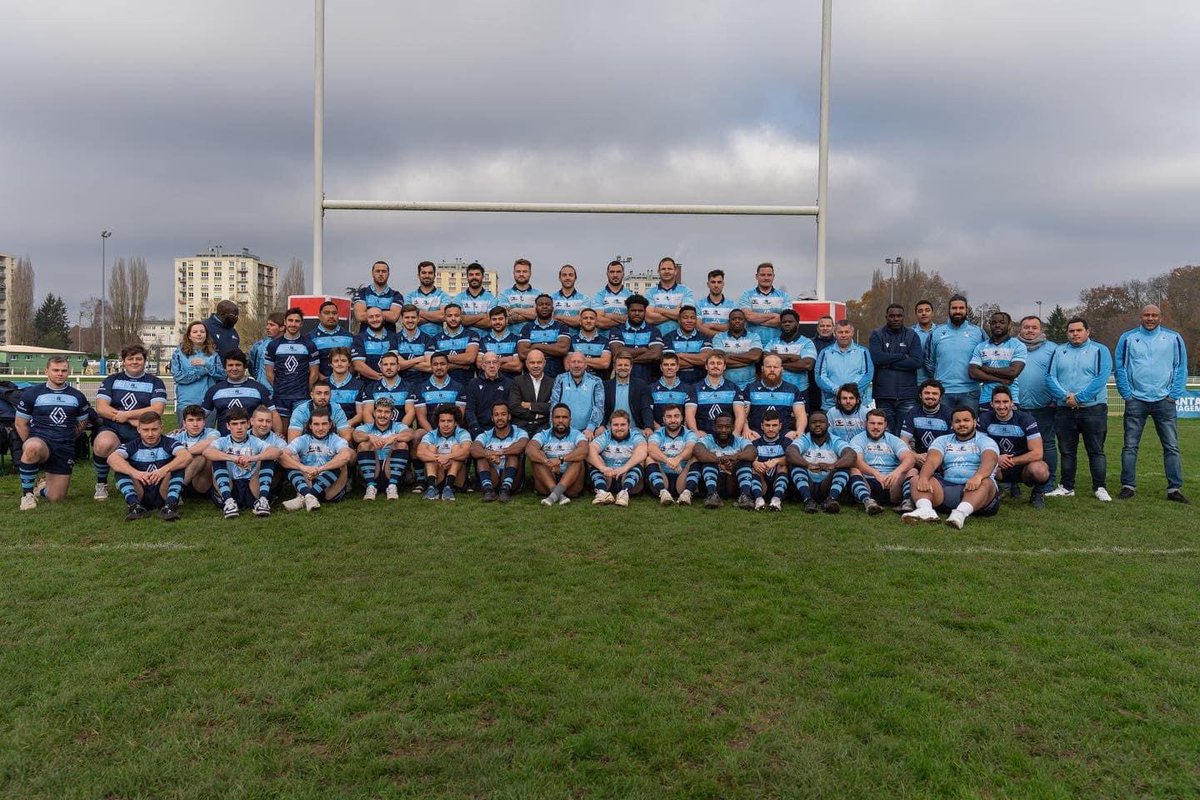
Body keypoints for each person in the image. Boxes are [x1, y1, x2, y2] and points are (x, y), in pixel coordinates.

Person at [1115, 304, 1189, 503]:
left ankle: (1174, 489)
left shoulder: (1173, 338)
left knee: (1171, 446)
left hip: (1165, 401)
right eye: (1146, 315)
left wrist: (1173, 395)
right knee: (1130, 446)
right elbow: (1120, 368)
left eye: (1154, 315)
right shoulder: (1127, 338)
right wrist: (1127, 394)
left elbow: (1181, 367)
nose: (1150, 318)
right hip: (1136, 401)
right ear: (1140, 317)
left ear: (1160, 318)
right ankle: (1127, 486)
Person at [1045, 317, 1113, 501]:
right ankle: (1067, 486)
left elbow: (1101, 377)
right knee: (1067, 451)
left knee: (1096, 450)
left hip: (1093, 410)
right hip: (1065, 409)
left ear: (1087, 331)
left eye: (1078, 330)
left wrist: (1079, 398)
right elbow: (1050, 377)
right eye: (1071, 331)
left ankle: (1100, 487)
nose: (1075, 334)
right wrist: (1067, 397)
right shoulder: (1059, 351)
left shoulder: (1100, 350)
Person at [91, 344, 169, 501]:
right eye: (130, 358)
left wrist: (128, 416)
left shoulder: (155, 382)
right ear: (124, 361)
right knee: (103, 443)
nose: (135, 362)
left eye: (139, 358)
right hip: (112, 427)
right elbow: (101, 408)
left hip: (141, 430)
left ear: (145, 361)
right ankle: (101, 483)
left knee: (143, 488)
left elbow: (157, 410)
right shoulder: (111, 380)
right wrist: (124, 417)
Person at [903, 406, 1000, 528]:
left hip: (979, 493)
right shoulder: (942, 440)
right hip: (948, 488)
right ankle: (926, 511)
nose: (962, 424)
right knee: (918, 478)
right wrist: (923, 478)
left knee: (986, 482)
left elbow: (990, 460)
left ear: (974, 422)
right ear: (952, 424)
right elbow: (932, 461)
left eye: (966, 420)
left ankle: (960, 514)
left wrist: (978, 476)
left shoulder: (986, 441)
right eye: (957, 421)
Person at [14, 358, 91, 510]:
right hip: (41, 442)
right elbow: (20, 423)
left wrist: (68, 437)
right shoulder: (32, 394)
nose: (60, 374)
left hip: (64, 447)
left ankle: (41, 487)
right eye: (56, 370)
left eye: (64, 370)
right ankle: (27, 495)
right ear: (46, 371)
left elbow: (82, 423)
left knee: (56, 498)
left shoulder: (78, 396)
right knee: (32, 446)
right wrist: (29, 445)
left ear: (68, 372)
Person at [106, 411, 190, 521]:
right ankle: (134, 506)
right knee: (121, 469)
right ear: (138, 429)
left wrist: (164, 470)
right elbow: (112, 458)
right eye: (145, 430)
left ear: (161, 428)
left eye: (154, 429)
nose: (150, 434)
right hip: (141, 492)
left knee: (178, 466)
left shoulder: (169, 443)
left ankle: (170, 506)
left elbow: (186, 456)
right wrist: (135, 473)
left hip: (163, 492)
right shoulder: (132, 445)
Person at [978, 385, 1051, 508]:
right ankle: (995, 489)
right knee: (974, 464)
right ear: (991, 404)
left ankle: (1037, 493)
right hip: (997, 465)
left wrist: (1011, 460)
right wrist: (996, 459)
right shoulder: (984, 419)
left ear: (1012, 403)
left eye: (1005, 402)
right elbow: (977, 447)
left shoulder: (1026, 419)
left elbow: (1037, 453)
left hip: (1022, 466)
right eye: (997, 402)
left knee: (1040, 470)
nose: (1001, 406)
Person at [204, 406, 278, 518]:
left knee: (268, 459)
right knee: (217, 459)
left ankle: (262, 500)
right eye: (234, 424)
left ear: (248, 424)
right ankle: (229, 502)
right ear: (228, 426)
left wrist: (252, 458)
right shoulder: (222, 441)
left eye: (242, 423)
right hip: (230, 485)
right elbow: (207, 452)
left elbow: (276, 452)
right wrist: (234, 458)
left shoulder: (255, 441)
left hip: (251, 486)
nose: (239, 427)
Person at [1014, 315, 1059, 496]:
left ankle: (1048, 482)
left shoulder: (1053, 349)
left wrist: (1055, 398)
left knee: (1047, 444)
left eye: (1034, 327)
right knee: (1014, 444)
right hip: (1017, 406)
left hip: (1044, 406)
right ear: (1020, 329)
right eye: (1026, 327)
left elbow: (1058, 375)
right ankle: (1012, 483)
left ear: (1041, 330)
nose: (1030, 330)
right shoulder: (1013, 346)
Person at [278, 407, 354, 511]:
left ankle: (305, 497)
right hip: (307, 481)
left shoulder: (336, 439)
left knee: (341, 461)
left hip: (329, 487)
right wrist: (303, 467)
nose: (320, 428)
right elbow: (282, 456)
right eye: (316, 424)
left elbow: (346, 455)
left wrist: (320, 469)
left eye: (324, 424)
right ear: (310, 425)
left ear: (330, 425)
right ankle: (309, 496)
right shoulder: (303, 439)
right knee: (291, 457)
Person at [786, 409, 855, 514]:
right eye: (814, 422)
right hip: (807, 485)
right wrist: (807, 465)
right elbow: (790, 452)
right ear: (809, 425)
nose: (817, 425)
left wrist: (833, 465)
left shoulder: (835, 440)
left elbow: (851, 455)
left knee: (844, 468)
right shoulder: (805, 439)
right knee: (795, 465)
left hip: (826, 486)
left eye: (821, 422)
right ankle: (808, 501)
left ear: (828, 424)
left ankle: (831, 500)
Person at [848, 408, 916, 515]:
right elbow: (857, 461)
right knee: (853, 469)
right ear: (866, 424)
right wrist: (876, 473)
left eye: (879, 423)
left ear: (885, 425)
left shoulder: (893, 439)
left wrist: (895, 473)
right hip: (869, 482)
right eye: (872, 423)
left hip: (892, 483)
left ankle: (907, 502)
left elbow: (910, 459)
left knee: (912, 471)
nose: (876, 427)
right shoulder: (858, 439)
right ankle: (868, 502)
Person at [869, 303, 923, 434]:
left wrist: (887, 362)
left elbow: (917, 362)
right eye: (892, 316)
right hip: (883, 394)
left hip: (907, 395)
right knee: (886, 434)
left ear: (903, 317)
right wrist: (902, 356)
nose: (896, 319)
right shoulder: (877, 334)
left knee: (905, 434)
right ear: (886, 317)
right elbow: (876, 358)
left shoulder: (912, 335)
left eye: (899, 316)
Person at [925, 295, 985, 411]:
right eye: (954, 308)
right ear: (949, 310)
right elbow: (929, 361)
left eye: (961, 308)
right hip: (943, 392)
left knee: (967, 428)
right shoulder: (936, 333)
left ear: (966, 310)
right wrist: (940, 380)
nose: (958, 311)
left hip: (970, 392)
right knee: (944, 428)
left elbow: (986, 359)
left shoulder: (978, 332)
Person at [201, 349, 279, 435]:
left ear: (244, 366)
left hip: (253, 442)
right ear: (225, 367)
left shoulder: (259, 388)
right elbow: (199, 416)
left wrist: (278, 434)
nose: (234, 368)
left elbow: (273, 413)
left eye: (238, 365)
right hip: (223, 442)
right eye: (230, 365)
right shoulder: (214, 390)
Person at [265, 307, 320, 425]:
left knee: (301, 430)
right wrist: (279, 388)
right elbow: (269, 373)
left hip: (302, 397)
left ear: (301, 324)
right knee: (282, 432)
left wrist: (306, 391)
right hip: (281, 397)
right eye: (290, 320)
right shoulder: (273, 345)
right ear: (285, 322)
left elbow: (314, 373)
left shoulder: (309, 344)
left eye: (297, 321)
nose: (293, 324)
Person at [352, 396, 414, 501]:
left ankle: (392, 486)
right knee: (364, 445)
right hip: (371, 470)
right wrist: (369, 437)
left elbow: (409, 434)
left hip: (391, 469)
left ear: (392, 415)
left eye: (387, 412)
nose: (382, 415)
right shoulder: (367, 427)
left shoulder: (397, 426)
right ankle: (371, 487)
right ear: (374, 413)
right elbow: (356, 435)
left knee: (401, 444)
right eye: (379, 411)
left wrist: (394, 437)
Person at [527, 404, 590, 505]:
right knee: (537, 457)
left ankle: (553, 496)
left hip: (571, 484)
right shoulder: (543, 434)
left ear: (570, 420)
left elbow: (584, 450)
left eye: (564, 417)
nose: (561, 420)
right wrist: (547, 462)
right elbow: (530, 449)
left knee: (578, 459)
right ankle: (558, 495)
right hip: (547, 479)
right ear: (551, 419)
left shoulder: (577, 434)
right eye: (557, 417)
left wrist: (561, 459)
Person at [692, 412, 757, 509]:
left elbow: (752, 452)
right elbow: (698, 450)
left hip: (733, 481)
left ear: (733, 427)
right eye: (720, 426)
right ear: (714, 427)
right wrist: (719, 460)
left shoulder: (739, 440)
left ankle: (745, 496)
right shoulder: (708, 439)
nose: (723, 430)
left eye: (727, 427)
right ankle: (711, 496)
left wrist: (734, 457)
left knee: (744, 462)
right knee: (709, 461)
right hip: (714, 481)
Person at [471, 401, 529, 502]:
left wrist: (500, 452)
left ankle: (506, 489)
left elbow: (522, 446)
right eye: (496, 415)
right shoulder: (485, 435)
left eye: (503, 414)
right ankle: (488, 490)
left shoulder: (520, 432)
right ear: (492, 418)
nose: (500, 418)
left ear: (509, 416)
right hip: (493, 475)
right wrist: (488, 454)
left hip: (513, 478)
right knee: (481, 457)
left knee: (513, 454)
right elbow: (474, 449)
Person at [968, 310, 1027, 409]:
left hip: (1009, 399)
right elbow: (973, 373)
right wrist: (1000, 379)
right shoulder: (981, 347)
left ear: (1009, 325)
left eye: (1002, 322)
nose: (997, 325)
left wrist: (987, 369)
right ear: (990, 325)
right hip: (986, 399)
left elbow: (1013, 372)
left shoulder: (1018, 345)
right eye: (994, 323)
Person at [587, 409, 647, 506]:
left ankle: (624, 493)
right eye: (616, 425)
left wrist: (625, 468)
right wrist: (603, 468)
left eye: (623, 425)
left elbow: (643, 450)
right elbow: (591, 450)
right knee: (592, 457)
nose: (619, 428)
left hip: (628, 477)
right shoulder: (606, 435)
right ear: (610, 426)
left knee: (640, 459)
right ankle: (602, 492)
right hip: (608, 477)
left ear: (629, 425)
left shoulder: (635, 435)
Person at [645, 404, 701, 505]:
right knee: (649, 458)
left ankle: (687, 493)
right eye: (669, 416)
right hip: (662, 476)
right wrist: (668, 460)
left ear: (682, 418)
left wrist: (678, 459)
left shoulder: (689, 434)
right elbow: (651, 448)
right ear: (664, 419)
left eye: (676, 416)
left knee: (696, 457)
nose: (673, 420)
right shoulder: (658, 433)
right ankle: (663, 493)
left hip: (682, 477)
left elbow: (690, 448)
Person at [742, 353, 806, 440]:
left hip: (784, 432)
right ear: (762, 368)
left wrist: (800, 431)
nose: (772, 370)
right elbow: (743, 414)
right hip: (757, 432)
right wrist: (746, 429)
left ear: (781, 370)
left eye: (776, 367)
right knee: (748, 438)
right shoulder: (750, 388)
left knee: (796, 439)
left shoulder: (792, 389)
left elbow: (801, 415)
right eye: (768, 367)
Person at [416, 404, 472, 501]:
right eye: (442, 421)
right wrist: (439, 458)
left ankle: (448, 487)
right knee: (431, 448)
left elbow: (466, 451)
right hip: (438, 473)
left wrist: (448, 457)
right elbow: (420, 452)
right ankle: (431, 488)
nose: (446, 424)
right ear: (438, 422)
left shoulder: (463, 433)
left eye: (449, 421)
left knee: (457, 448)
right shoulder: (431, 434)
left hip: (457, 478)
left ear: (455, 423)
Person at [686, 351, 748, 436]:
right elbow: (689, 415)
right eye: (712, 363)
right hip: (703, 435)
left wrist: (736, 433)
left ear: (724, 367)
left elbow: (740, 414)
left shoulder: (733, 388)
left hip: (727, 436)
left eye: (719, 363)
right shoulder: (694, 388)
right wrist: (695, 432)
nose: (715, 366)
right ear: (706, 366)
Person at [815, 320, 873, 410]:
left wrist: (850, 392)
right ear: (835, 333)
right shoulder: (825, 353)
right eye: (840, 332)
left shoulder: (863, 352)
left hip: (857, 405)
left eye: (847, 332)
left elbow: (867, 375)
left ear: (852, 333)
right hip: (831, 405)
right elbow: (819, 376)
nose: (843, 335)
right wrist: (836, 390)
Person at [170, 320, 225, 413]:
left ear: (206, 335)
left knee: (207, 428)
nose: (199, 334)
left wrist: (207, 365)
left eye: (202, 332)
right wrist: (201, 372)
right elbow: (178, 377)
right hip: (186, 402)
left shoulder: (213, 354)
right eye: (195, 332)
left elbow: (222, 375)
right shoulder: (178, 354)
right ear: (189, 336)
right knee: (186, 428)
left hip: (208, 402)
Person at [608, 294, 664, 383]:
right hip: (623, 381)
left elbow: (655, 354)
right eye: (633, 310)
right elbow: (618, 351)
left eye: (640, 310)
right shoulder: (617, 330)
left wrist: (630, 361)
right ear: (627, 311)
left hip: (649, 381)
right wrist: (643, 350)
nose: (637, 313)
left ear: (645, 311)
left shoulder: (654, 330)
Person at [549, 351, 604, 437]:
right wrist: (554, 427)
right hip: (562, 430)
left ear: (586, 364)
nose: (576, 365)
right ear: (568, 364)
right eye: (573, 362)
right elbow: (554, 405)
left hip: (587, 432)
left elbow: (599, 408)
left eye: (580, 362)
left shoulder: (596, 381)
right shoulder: (560, 379)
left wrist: (590, 428)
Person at [169, 404, 219, 497]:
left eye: (199, 420)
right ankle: (177, 491)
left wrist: (183, 454)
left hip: (200, 484)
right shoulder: (176, 436)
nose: (195, 424)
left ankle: (176, 492)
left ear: (204, 422)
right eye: (191, 420)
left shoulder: (212, 432)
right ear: (184, 423)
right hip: (180, 475)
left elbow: (209, 442)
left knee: (203, 455)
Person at [738, 262, 791, 347]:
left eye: (769, 275)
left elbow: (784, 320)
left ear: (773, 276)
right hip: (751, 344)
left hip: (777, 343)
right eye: (762, 275)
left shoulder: (784, 296)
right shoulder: (746, 295)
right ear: (756, 276)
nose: (766, 278)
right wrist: (774, 315)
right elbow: (749, 317)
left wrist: (755, 320)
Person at [517, 295, 571, 378]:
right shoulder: (527, 328)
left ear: (553, 308)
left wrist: (536, 346)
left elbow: (562, 349)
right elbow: (523, 354)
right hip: (532, 378)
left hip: (557, 376)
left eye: (548, 304)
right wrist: (553, 350)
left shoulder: (562, 327)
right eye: (541, 304)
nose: (544, 306)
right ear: (536, 308)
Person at [413, 352, 467, 433]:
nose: (439, 367)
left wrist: (448, 434)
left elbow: (459, 417)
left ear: (448, 366)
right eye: (435, 364)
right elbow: (421, 419)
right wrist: (434, 435)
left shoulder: (459, 387)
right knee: (418, 434)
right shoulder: (421, 388)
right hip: (429, 432)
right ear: (431, 367)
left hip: (452, 432)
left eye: (442, 364)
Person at [710, 309, 763, 389]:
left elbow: (755, 357)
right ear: (729, 321)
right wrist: (748, 362)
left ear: (745, 321)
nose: (737, 321)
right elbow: (719, 360)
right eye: (734, 319)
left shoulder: (754, 336)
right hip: (725, 385)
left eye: (740, 319)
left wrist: (729, 356)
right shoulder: (719, 337)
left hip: (749, 385)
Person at [361, 352, 417, 427]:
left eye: (392, 364)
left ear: (398, 367)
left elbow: (410, 412)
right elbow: (367, 413)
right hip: (377, 432)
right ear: (380, 367)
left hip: (401, 432)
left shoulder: (410, 387)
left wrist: (399, 431)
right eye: (385, 364)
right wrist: (376, 432)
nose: (389, 367)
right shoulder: (370, 388)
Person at [749, 410, 790, 511]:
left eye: (774, 425)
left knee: (783, 466)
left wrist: (776, 461)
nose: (771, 429)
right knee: (754, 468)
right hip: (762, 484)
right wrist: (754, 463)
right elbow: (746, 458)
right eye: (767, 425)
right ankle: (759, 500)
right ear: (762, 426)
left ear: (780, 426)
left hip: (780, 485)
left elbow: (792, 458)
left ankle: (776, 500)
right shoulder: (755, 443)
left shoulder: (786, 442)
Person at [768, 309, 817, 394]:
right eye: (784, 322)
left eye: (790, 322)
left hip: (799, 391)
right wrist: (791, 357)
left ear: (797, 324)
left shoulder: (806, 342)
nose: (787, 324)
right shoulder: (773, 342)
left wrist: (777, 364)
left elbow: (807, 364)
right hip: (776, 391)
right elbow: (765, 357)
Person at [286, 380, 353, 442]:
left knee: (350, 453)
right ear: (312, 395)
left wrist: (333, 448)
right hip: (307, 448)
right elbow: (293, 440)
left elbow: (346, 436)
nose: (323, 397)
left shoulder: (336, 409)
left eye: (326, 393)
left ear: (330, 395)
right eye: (319, 393)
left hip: (332, 447)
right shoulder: (301, 411)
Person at [430, 303, 480, 384]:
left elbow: (470, 358)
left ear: (461, 317)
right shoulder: (435, 339)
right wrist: (460, 365)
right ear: (444, 318)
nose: (453, 318)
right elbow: (435, 365)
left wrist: (442, 359)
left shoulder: (472, 335)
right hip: (444, 386)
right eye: (449, 316)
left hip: (466, 385)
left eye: (456, 315)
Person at [602, 354, 653, 436]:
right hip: (610, 430)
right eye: (619, 365)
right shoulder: (605, 386)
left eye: (626, 365)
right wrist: (601, 426)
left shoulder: (641, 385)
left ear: (631, 367)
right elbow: (601, 409)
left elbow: (646, 408)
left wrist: (648, 427)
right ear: (614, 367)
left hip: (634, 431)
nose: (623, 368)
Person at [465, 352, 513, 436]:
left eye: (494, 362)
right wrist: (476, 429)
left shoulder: (509, 383)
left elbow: (512, 410)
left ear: (498, 365)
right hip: (480, 429)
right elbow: (470, 410)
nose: (492, 366)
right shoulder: (473, 383)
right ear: (483, 366)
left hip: (503, 429)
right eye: (488, 363)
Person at [644, 257, 694, 336]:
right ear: (658, 271)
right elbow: (649, 318)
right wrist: (675, 313)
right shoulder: (650, 293)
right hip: (655, 339)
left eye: (670, 269)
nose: (666, 271)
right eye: (663, 269)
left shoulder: (686, 291)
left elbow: (686, 315)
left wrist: (658, 310)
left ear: (675, 271)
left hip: (679, 340)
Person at [662, 305, 711, 384]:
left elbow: (705, 360)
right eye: (685, 317)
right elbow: (669, 364)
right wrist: (697, 362)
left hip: (700, 383)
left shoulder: (704, 337)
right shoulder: (668, 337)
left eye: (692, 318)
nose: (689, 321)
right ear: (679, 320)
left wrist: (681, 355)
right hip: (676, 383)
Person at [508, 349, 553, 435]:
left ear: (544, 363)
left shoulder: (552, 382)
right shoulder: (518, 381)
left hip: (544, 427)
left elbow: (553, 406)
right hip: (522, 426)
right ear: (527, 364)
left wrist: (530, 405)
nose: (536, 366)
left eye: (539, 362)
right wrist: (535, 415)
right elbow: (514, 407)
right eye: (532, 363)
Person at [352, 260, 403, 331]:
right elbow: (360, 316)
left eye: (384, 271)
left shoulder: (396, 295)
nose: (381, 274)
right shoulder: (361, 292)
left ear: (388, 274)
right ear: (372, 273)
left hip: (389, 339)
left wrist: (369, 314)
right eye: (377, 271)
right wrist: (385, 314)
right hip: (365, 339)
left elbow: (394, 317)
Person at [351, 306, 398, 382]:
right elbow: (358, 365)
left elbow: (398, 361)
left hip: (392, 384)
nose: (375, 319)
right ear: (366, 320)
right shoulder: (359, 338)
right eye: (371, 317)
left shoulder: (394, 337)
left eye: (377, 316)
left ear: (383, 317)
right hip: (368, 385)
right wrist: (380, 377)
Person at [405, 260, 450, 336]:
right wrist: (434, 317)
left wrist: (417, 312)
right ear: (418, 276)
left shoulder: (443, 295)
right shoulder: (409, 296)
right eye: (423, 273)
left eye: (430, 273)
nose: (427, 275)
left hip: (437, 340)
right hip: (415, 341)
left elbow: (443, 316)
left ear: (434, 276)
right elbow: (409, 319)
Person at [310, 300, 354, 376]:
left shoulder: (349, 337)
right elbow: (307, 364)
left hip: (344, 383)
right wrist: (323, 380)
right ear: (319, 316)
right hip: (321, 384)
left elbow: (354, 362)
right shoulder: (310, 338)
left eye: (334, 313)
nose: (331, 316)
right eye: (327, 313)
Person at [649, 353, 692, 428]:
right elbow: (648, 413)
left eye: (672, 365)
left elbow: (688, 416)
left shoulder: (688, 389)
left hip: (680, 432)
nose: (669, 367)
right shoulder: (651, 389)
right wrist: (658, 429)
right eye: (666, 365)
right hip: (658, 431)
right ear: (661, 367)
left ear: (677, 367)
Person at [326, 347, 365, 429]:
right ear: (330, 364)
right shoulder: (323, 384)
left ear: (349, 363)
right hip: (325, 427)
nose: (339, 364)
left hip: (349, 427)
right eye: (336, 361)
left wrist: (345, 425)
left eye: (343, 361)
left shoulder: (359, 385)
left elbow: (360, 415)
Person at [477, 306, 523, 376]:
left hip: (511, 384)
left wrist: (490, 364)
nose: (497, 322)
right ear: (490, 321)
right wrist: (507, 359)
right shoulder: (483, 340)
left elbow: (517, 366)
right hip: (490, 383)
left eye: (500, 319)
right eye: (494, 319)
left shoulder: (516, 339)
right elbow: (479, 364)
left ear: (506, 320)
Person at [501, 257, 542, 335]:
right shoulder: (504, 294)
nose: (521, 274)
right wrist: (530, 314)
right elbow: (504, 316)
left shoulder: (538, 295)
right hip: (511, 339)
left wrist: (515, 310)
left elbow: (539, 314)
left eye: (525, 271)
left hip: (533, 338)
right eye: (518, 271)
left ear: (530, 273)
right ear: (513, 273)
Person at [394, 304, 433, 384]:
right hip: (401, 384)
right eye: (407, 317)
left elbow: (429, 366)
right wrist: (419, 359)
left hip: (423, 383)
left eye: (413, 317)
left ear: (418, 319)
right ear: (401, 319)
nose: (410, 320)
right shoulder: (394, 338)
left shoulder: (428, 339)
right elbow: (395, 366)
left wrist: (404, 364)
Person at [806, 315, 837, 414]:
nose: (825, 328)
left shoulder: (839, 344)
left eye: (828, 326)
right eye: (822, 326)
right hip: (813, 388)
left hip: (833, 389)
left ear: (833, 328)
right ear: (817, 328)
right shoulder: (809, 343)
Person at [454, 262, 498, 330]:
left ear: (483, 277)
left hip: (485, 339)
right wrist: (482, 316)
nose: (474, 277)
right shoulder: (458, 298)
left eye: (477, 274)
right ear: (467, 277)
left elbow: (490, 322)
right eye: (471, 275)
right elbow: (458, 320)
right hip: (465, 339)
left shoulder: (492, 299)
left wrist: (466, 320)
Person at [570, 308, 614, 375]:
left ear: (596, 321)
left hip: (600, 382)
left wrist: (578, 360)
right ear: (580, 321)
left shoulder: (606, 341)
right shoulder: (571, 340)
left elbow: (605, 363)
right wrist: (596, 362)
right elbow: (568, 365)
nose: (588, 321)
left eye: (591, 318)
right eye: (585, 318)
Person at [247, 312, 285, 389]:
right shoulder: (259, 345)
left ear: (282, 328)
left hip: (281, 391)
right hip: (262, 390)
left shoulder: (290, 346)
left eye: (272, 325)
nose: (267, 327)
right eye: (267, 324)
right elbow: (252, 366)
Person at [591, 260, 632, 329]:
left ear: (623, 274)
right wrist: (624, 320)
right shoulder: (599, 296)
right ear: (607, 274)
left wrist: (608, 315)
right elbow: (599, 322)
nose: (615, 275)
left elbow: (634, 320)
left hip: (625, 338)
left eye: (618, 272)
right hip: (605, 338)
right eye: (612, 272)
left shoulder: (631, 296)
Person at [695, 268, 734, 337]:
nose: (716, 285)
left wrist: (710, 325)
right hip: (705, 342)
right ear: (708, 284)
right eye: (713, 282)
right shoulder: (698, 304)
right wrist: (721, 332)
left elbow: (732, 327)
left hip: (725, 344)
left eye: (719, 282)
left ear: (723, 284)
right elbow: (699, 327)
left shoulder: (732, 305)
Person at [551, 264, 587, 330]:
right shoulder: (551, 298)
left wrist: (558, 316)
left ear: (575, 278)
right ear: (560, 278)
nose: (567, 278)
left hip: (576, 338)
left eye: (570, 275)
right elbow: (550, 321)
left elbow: (581, 321)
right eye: (564, 275)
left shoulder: (584, 299)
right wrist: (572, 320)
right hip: (556, 337)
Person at [912, 299, 937, 385]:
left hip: (936, 382)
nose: (924, 313)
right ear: (916, 314)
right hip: (915, 382)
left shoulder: (940, 332)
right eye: (920, 311)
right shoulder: (909, 333)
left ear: (932, 313)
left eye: (927, 310)